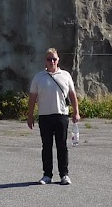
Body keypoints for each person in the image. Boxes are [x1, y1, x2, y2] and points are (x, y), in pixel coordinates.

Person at [27, 47, 80, 185]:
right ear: (45, 61)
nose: (52, 61)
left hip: (61, 115)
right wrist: (30, 116)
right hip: (45, 116)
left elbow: (72, 95)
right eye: (49, 59)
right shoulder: (38, 77)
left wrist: (76, 112)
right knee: (47, 146)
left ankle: (64, 174)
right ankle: (47, 175)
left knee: (62, 146)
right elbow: (32, 98)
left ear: (58, 60)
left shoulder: (66, 75)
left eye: (54, 59)